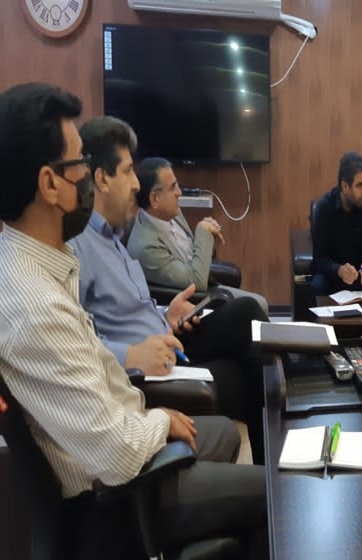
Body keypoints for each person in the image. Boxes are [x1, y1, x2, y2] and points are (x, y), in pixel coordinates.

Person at [0, 82, 266, 557]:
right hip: (119, 497)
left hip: (125, 447)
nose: (89, 176)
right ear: (50, 184)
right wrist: (159, 420)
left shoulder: (40, 264)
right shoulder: (34, 305)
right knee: (280, 498)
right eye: (81, 165)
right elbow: (117, 454)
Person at [69, 116, 269, 464]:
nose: (136, 184)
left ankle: (276, 457)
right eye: (128, 172)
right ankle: (273, 469)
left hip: (170, 338)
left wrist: (167, 314)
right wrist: (131, 354)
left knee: (247, 319)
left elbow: (127, 307)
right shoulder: (78, 246)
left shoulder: (112, 236)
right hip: (150, 369)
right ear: (101, 179)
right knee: (252, 376)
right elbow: (75, 340)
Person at [126, 156, 269, 314]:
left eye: (177, 185)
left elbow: (190, 253)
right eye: (173, 188)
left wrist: (207, 236)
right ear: (155, 199)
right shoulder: (145, 246)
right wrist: (203, 232)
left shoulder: (171, 214)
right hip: (191, 304)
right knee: (258, 305)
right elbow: (196, 282)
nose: (179, 193)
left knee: (259, 304)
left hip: (206, 286)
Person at [311, 151, 362, 295]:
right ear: (344, 186)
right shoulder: (324, 208)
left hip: (359, 276)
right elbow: (319, 260)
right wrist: (339, 270)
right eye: (359, 185)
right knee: (317, 285)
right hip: (332, 277)